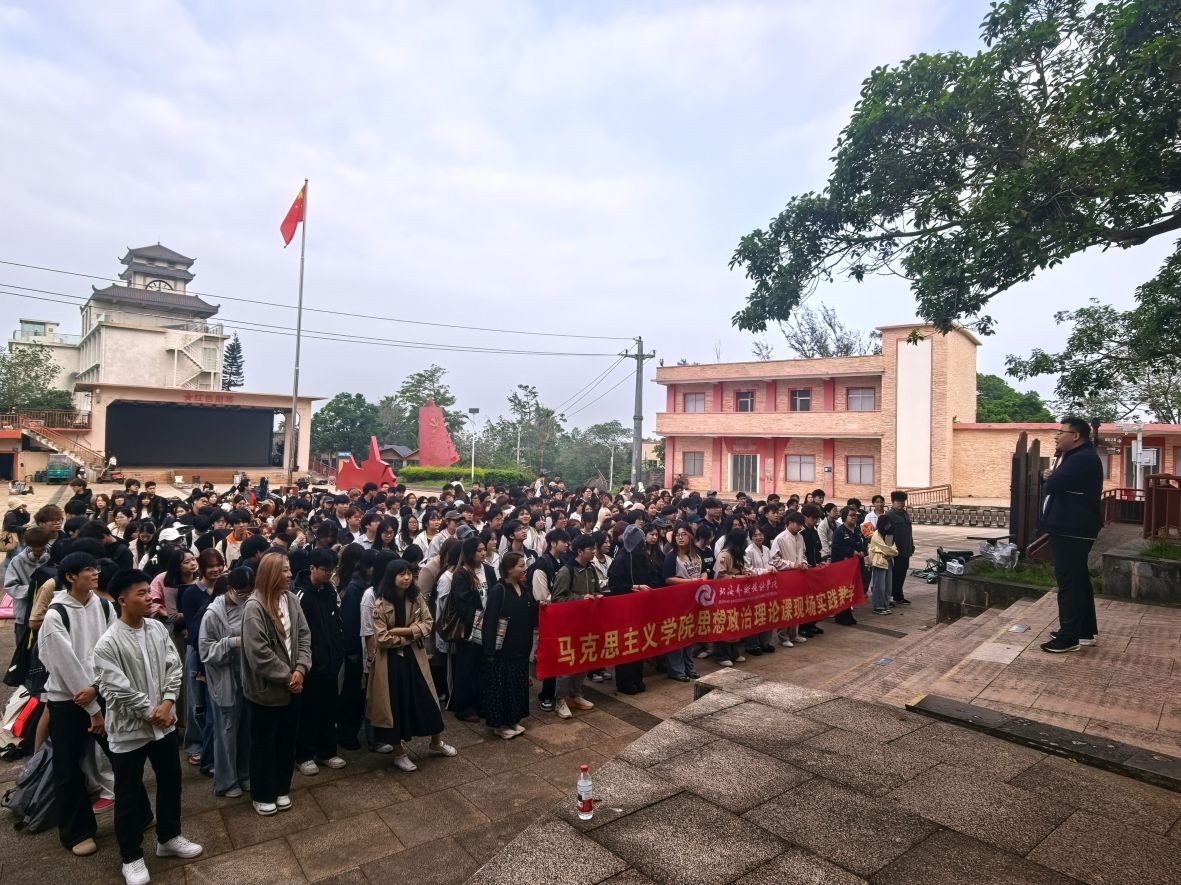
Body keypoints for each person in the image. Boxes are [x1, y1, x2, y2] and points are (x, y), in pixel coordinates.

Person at [93, 569, 203, 884]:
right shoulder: (108, 643)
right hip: (129, 730)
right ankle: (131, 856)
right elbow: (116, 689)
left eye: (148, 591)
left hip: (163, 725)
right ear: (122, 600)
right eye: (141, 593)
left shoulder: (155, 628)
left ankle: (169, 837)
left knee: (171, 780)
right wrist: (151, 711)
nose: (149, 598)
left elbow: (173, 666)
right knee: (128, 793)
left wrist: (167, 704)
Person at [38, 550, 118, 857]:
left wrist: (98, 689)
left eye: (96, 568)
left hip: (101, 691)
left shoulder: (104, 606)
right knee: (69, 768)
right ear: (71, 577)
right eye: (88, 569)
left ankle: (137, 813)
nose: (95, 573)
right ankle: (77, 831)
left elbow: (113, 649)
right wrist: (93, 709)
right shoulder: (56, 614)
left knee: (123, 756)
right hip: (68, 700)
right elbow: (65, 665)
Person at [366, 559, 456, 768]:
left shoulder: (416, 598)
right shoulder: (380, 603)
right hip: (390, 663)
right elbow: (382, 638)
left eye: (409, 573)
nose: (407, 578)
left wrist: (402, 631)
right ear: (391, 577)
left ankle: (436, 742)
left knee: (428, 700)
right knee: (394, 706)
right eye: (401, 574)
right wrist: (411, 635)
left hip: (416, 657)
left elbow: (428, 624)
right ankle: (399, 753)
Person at [241, 553, 311, 816]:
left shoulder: (291, 599)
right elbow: (258, 653)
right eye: (284, 570)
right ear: (270, 574)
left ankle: (282, 788)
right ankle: (262, 793)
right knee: (264, 744)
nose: (290, 575)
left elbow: (304, 635)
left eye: (289, 569)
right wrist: (289, 676)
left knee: (286, 741)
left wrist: (301, 669)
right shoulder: (254, 607)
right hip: (266, 690)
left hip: (294, 685)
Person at [1039, 416, 1104, 653]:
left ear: (1075, 436)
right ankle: (1083, 632)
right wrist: (1052, 476)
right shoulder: (1079, 457)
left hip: (1072, 528)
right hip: (1075, 527)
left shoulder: (1080, 458)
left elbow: (1053, 486)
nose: (1057, 437)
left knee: (1069, 583)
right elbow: (1057, 483)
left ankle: (1069, 637)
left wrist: (1049, 477)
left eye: (1061, 432)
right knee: (1079, 580)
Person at [198, 567, 253, 798]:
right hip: (225, 679)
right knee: (226, 733)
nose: (245, 597)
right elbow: (205, 651)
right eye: (241, 592)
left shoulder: (250, 605)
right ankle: (227, 781)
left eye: (249, 592)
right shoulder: (213, 614)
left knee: (246, 730)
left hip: (247, 678)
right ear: (230, 588)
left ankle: (245, 773)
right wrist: (231, 643)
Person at [294, 547, 347, 776]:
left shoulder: (329, 590)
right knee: (309, 710)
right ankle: (304, 755)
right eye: (325, 570)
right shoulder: (300, 595)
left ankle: (328, 751)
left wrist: (337, 649)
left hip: (330, 660)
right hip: (310, 664)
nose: (329, 574)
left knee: (329, 708)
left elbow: (336, 622)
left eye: (332, 570)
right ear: (312, 568)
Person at [481, 552, 538, 739]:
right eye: (520, 566)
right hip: (503, 649)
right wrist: (489, 650)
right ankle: (499, 725)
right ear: (509, 569)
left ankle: (513, 718)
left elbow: (531, 615)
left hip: (521, 646)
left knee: (517, 685)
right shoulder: (499, 590)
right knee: (502, 686)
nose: (524, 569)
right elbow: (490, 621)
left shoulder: (524, 588)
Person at [549, 534, 600, 712]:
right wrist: (580, 599)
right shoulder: (566, 571)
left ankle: (575, 694)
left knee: (583, 660)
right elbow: (557, 598)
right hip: (568, 624)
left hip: (587, 622)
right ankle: (560, 699)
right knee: (567, 663)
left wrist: (598, 597)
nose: (594, 552)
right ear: (579, 551)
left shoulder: (591, 569)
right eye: (590, 549)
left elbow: (596, 591)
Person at [606, 524, 652, 694]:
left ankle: (637, 677)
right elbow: (614, 585)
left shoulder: (642, 556)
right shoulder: (621, 559)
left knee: (639, 642)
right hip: (624, 608)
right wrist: (635, 587)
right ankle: (625, 681)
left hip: (641, 606)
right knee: (626, 643)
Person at [830, 506, 867, 626]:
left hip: (856, 566)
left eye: (855, 515)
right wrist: (851, 552)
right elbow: (836, 548)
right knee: (843, 590)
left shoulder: (857, 530)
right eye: (851, 515)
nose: (854, 517)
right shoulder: (839, 531)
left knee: (851, 589)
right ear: (844, 517)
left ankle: (848, 614)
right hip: (843, 566)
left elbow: (864, 543)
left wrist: (863, 551)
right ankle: (841, 615)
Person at [867, 514, 898, 615]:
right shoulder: (876, 535)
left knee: (888, 585)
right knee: (879, 586)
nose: (889, 525)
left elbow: (893, 547)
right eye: (887, 524)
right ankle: (878, 606)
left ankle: (885, 604)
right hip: (879, 563)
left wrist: (892, 552)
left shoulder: (888, 534)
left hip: (888, 561)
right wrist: (893, 552)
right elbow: (887, 549)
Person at [888, 491, 914, 606]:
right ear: (893, 502)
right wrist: (889, 549)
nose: (901, 503)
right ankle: (890, 596)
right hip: (895, 551)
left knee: (902, 573)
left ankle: (898, 596)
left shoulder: (904, 513)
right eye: (898, 501)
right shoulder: (889, 515)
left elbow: (909, 532)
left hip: (905, 549)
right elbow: (887, 534)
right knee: (894, 574)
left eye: (903, 501)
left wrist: (911, 545)